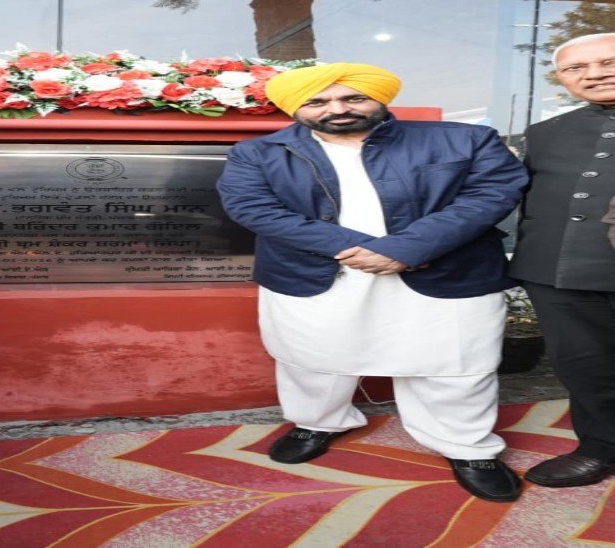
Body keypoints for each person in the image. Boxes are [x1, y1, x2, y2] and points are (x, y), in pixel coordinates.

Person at [217, 62, 528, 502]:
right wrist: (354, 247)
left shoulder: (465, 139)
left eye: (353, 97)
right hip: (317, 272)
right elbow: (253, 208)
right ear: (295, 108)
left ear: (379, 97)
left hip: (444, 269)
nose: (337, 109)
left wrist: (407, 248)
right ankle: (318, 423)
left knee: (455, 363)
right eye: (317, 101)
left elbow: (492, 193)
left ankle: (467, 447)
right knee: (311, 361)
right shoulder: (257, 153)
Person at [510, 32, 615, 488]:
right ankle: (600, 448)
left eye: (608, 62)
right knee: (585, 368)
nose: (594, 74)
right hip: (557, 272)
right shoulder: (545, 132)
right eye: (576, 68)